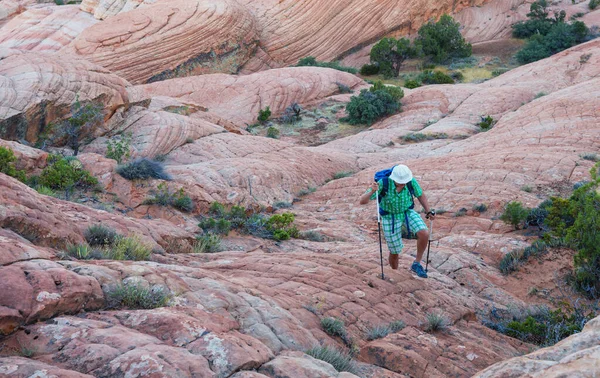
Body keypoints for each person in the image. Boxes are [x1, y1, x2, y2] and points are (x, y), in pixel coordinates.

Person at [359, 165, 435, 278]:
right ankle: (395, 273)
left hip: (407, 212)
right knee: (394, 251)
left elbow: (420, 195)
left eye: (405, 181)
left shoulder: (410, 181)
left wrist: (428, 211)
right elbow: (362, 201)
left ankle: (417, 264)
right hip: (390, 217)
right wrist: (372, 191)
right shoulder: (383, 183)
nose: (404, 183)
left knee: (424, 232)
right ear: (394, 179)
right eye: (401, 182)